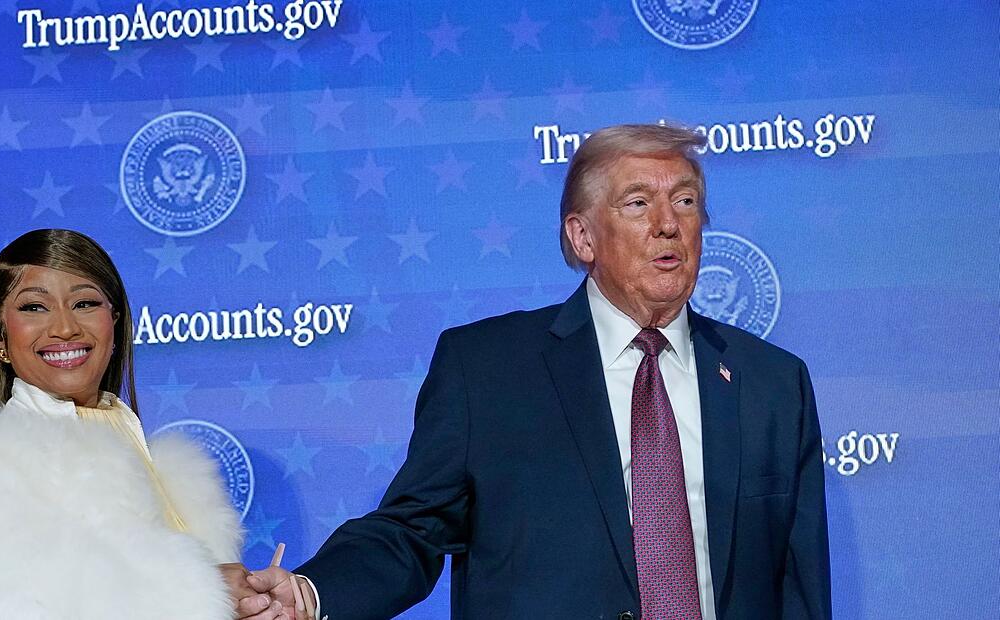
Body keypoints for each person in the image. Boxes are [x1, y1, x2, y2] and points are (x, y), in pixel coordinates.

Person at [239, 125, 832, 619]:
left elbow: (800, 583)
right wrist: (313, 594)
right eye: (637, 203)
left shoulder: (773, 384)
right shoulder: (486, 369)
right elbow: (412, 531)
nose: (667, 223)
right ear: (582, 236)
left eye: (685, 201)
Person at [0, 229, 285, 619]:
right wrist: (203, 590)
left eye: (85, 303)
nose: (65, 327)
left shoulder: (161, 467)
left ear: (115, 322)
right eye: (34, 307)